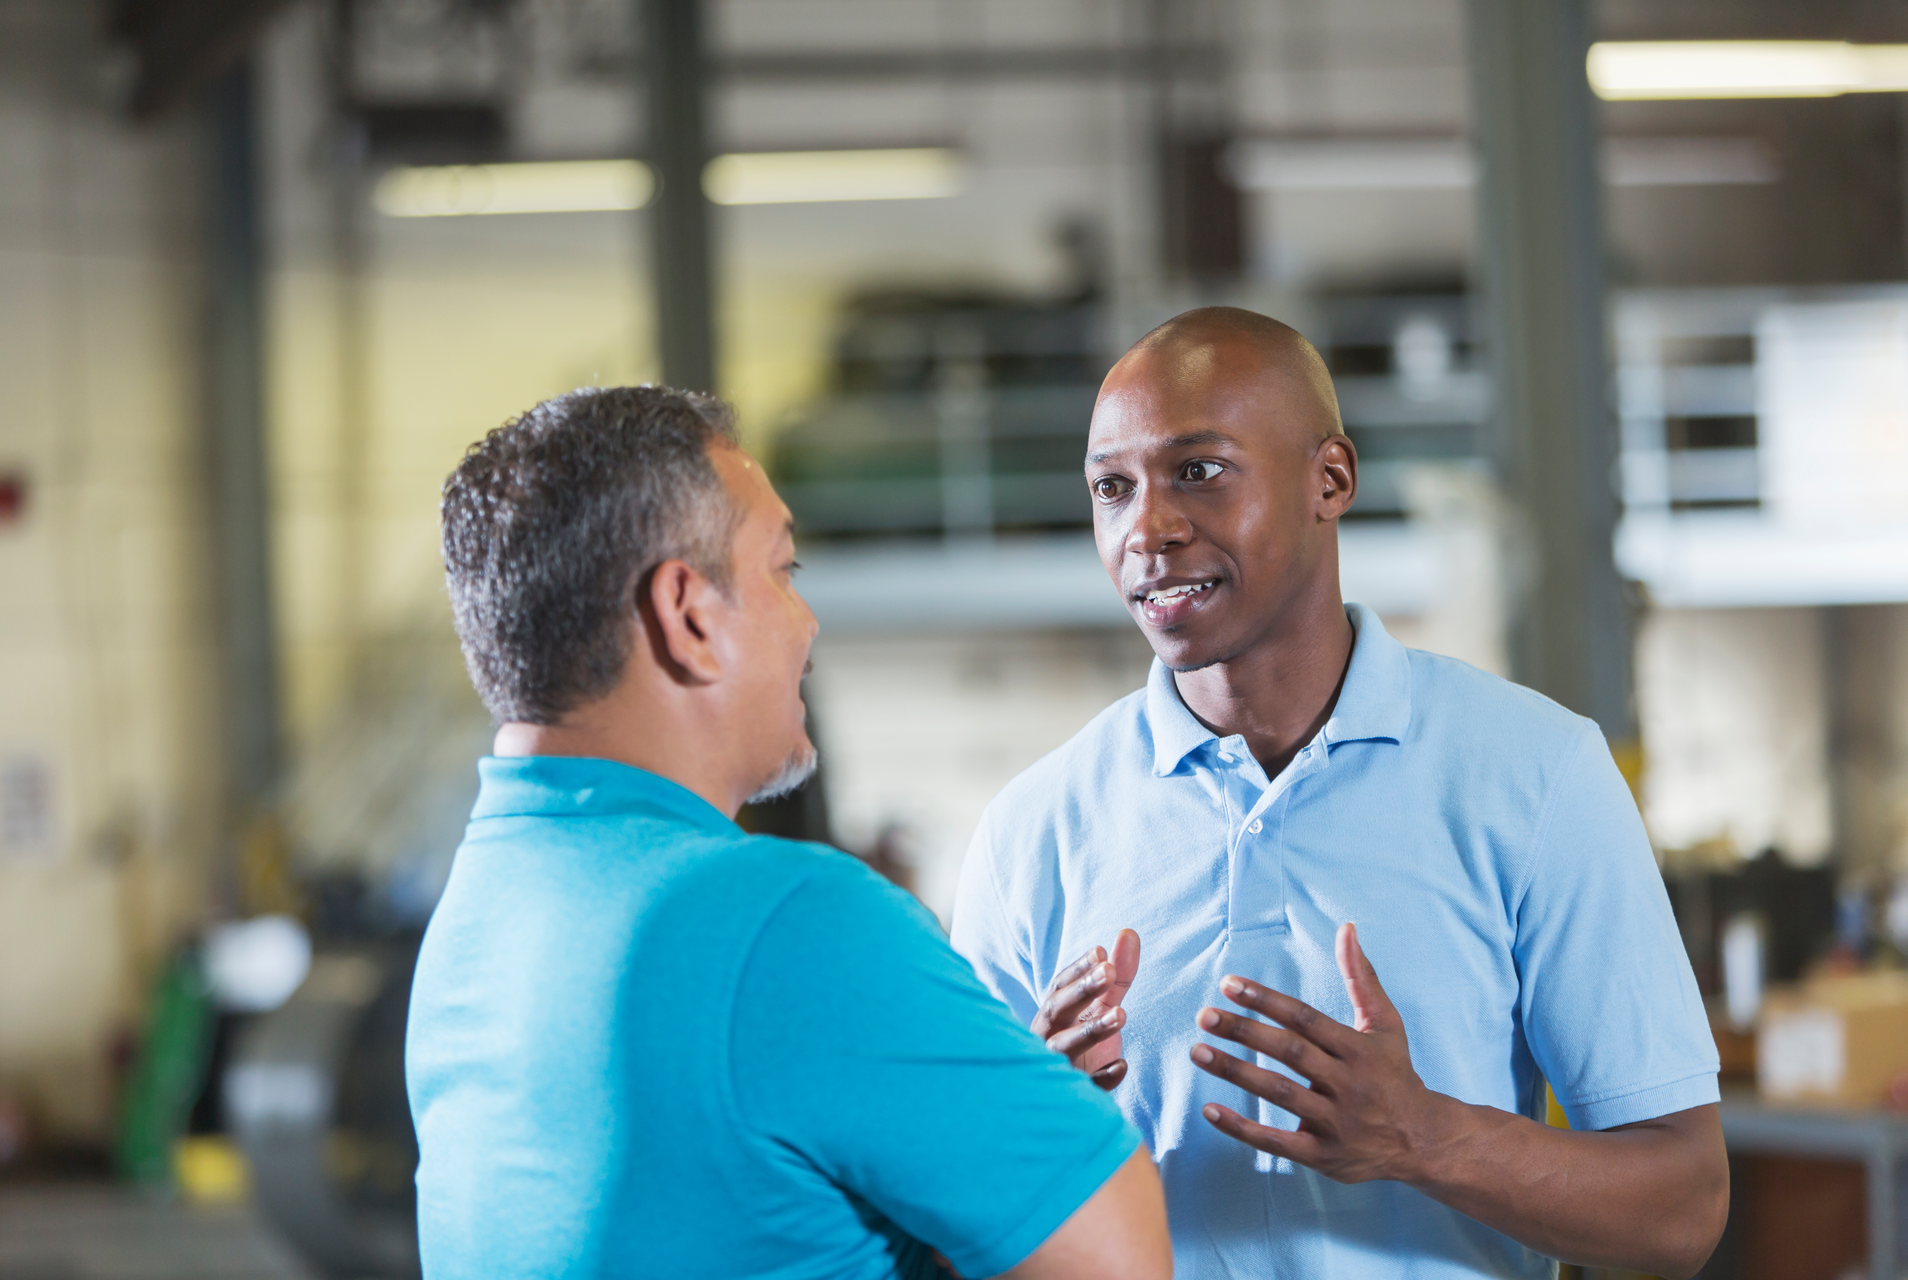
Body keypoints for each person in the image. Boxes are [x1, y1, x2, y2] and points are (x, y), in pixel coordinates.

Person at [950, 309, 1728, 1280]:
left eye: (1197, 470)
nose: (1147, 527)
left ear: (1332, 479)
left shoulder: (1536, 775)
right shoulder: (1033, 828)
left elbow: (1682, 1208)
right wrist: (1024, 1140)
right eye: (1113, 487)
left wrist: (1427, 1138)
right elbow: (946, 1229)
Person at [406, 386, 1171, 1280]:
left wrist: (973, 1112)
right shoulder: (791, 920)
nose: (806, 621)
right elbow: (1120, 1264)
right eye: (783, 570)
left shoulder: (474, 923)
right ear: (689, 615)